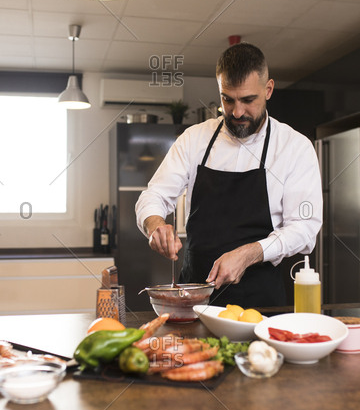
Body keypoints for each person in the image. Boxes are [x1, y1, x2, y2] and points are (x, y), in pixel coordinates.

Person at [135, 42, 322, 307]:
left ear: (268, 90)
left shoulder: (295, 147)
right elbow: (153, 195)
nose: (237, 112)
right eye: (228, 99)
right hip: (195, 301)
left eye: (248, 100)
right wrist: (154, 225)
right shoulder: (195, 139)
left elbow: (305, 228)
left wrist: (250, 253)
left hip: (260, 307)